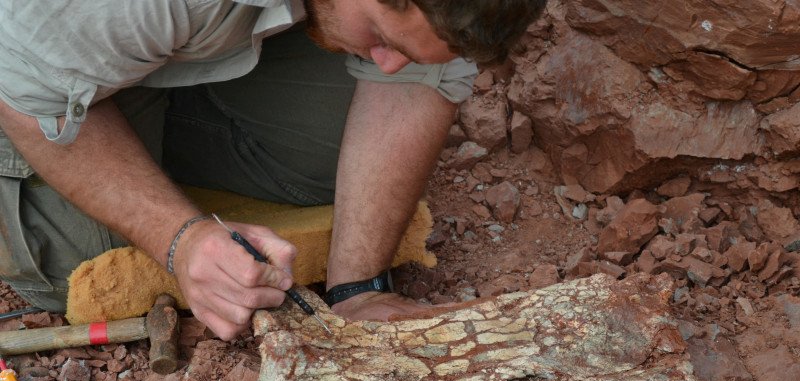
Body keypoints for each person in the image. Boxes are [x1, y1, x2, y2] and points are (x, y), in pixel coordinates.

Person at [0, 0, 546, 340]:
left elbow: (421, 74)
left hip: (138, 41)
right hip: (19, 67)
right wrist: (179, 238)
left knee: (347, 174)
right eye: (382, 38)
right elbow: (26, 95)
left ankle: (132, 105)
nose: (386, 62)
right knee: (79, 259)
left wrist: (357, 289)